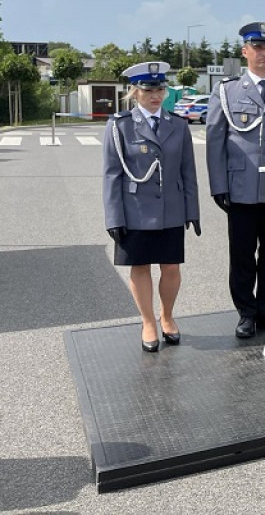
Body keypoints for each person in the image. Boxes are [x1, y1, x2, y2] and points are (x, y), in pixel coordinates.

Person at [102, 61, 200, 352]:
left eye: (160, 89)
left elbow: (188, 171)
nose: (156, 96)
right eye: (148, 90)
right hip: (134, 210)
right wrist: (113, 217)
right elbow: (111, 174)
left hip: (171, 208)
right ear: (135, 92)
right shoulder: (119, 125)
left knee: (170, 267)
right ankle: (148, 322)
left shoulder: (178, 125)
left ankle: (167, 316)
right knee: (140, 266)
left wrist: (191, 211)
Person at [206, 22, 265, 338]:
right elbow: (215, 140)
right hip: (239, 189)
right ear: (245, 51)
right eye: (257, 47)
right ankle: (246, 313)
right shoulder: (227, 91)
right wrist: (218, 185)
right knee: (241, 255)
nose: (263, 53)